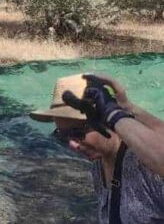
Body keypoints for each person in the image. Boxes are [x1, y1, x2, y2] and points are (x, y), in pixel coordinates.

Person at [30, 74, 164, 223]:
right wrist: (127, 108)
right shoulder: (99, 165)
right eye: (63, 135)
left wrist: (117, 113)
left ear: (107, 121)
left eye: (78, 133)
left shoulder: (147, 167)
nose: (72, 145)